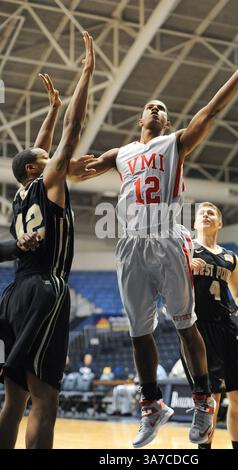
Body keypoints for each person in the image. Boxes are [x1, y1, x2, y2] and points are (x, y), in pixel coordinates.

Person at [69, 39, 238, 448]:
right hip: (129, 244)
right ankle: (152, 405)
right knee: (139, 334)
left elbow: (212, 109)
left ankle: (201, 400)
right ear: (142, 116)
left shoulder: (175, 142)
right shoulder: (121, 152)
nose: (158, 109)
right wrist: (70, 165)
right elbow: (76, 172)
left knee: (185, 322)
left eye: (163, 107)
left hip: (164, 236)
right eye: (152, 106)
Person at [0, 31, 95, 449]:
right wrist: (86, 74)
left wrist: (50, 110)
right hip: (45, 289)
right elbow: (73, 131)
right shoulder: (48, 182)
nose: (56, 156)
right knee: (46, 401)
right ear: (37, 170)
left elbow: (36, 149)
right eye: (50, 158)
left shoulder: (22, 194)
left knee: (14, 399)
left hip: (14, 292)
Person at [182, 201, 238, 450]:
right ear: (194, 223)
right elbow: (162, 282)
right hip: (198, 328)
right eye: (201, 212)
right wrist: (183, 267)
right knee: (211, 398)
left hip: (226, 326)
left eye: (211, 212)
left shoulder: (230, 257)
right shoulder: (185, 249)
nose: (205, 214)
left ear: (220, 223)